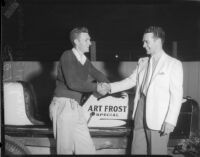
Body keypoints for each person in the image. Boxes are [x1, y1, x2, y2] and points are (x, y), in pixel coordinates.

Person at [102, 26, 183, 155]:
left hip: (159, 118)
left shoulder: (173, 64)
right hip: (140, 111)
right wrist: (110, 87)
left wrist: (170, 120)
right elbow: (131, 81)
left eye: (146, 42)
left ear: (158, 41)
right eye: (143, 42)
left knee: (157, 152)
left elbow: (176, 96)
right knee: (137, 151)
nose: (143, 45)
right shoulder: (143, 62)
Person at [49, 27, 109, 154]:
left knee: (87, 150)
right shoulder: (67, 55)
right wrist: (96, 87)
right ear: (76, 42)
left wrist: (108, 86)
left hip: (75, 107)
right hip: (63, 105)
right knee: (65, 151)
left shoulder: (84, 60)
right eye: (86, 40)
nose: (90, 43)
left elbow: (99, 75)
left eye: (89, 40)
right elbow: (73, 83)